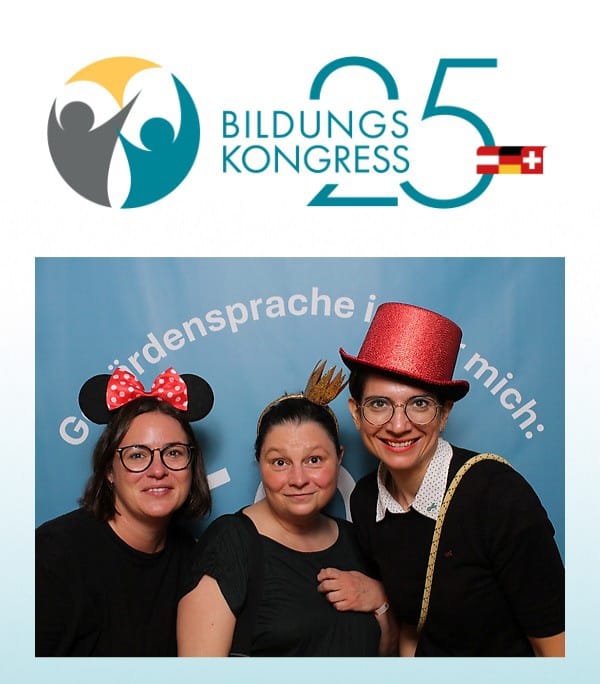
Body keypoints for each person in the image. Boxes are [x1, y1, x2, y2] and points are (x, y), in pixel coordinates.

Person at [318, 302, 565, 657]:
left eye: (419, 404)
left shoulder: (498, 496)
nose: (398, 425)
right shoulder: (366, 499)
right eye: (379, 404)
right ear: (356, 413)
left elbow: (558, 650)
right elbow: (414, 625)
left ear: (444, 413)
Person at [177, 362, 396, 656]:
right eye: (280, 462)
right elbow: (198, 672)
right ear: (260, 463)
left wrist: (380, 600)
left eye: (314, 460)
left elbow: (385, 660)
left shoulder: (357, 540)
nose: (298, 479)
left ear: (339, 458)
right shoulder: (231, 542)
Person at [35, 366, 214, 656]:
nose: (158, 470)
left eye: (173, 453)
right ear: (109, 470)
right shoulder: (52, 558)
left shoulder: (195, 561)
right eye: (137, 455)